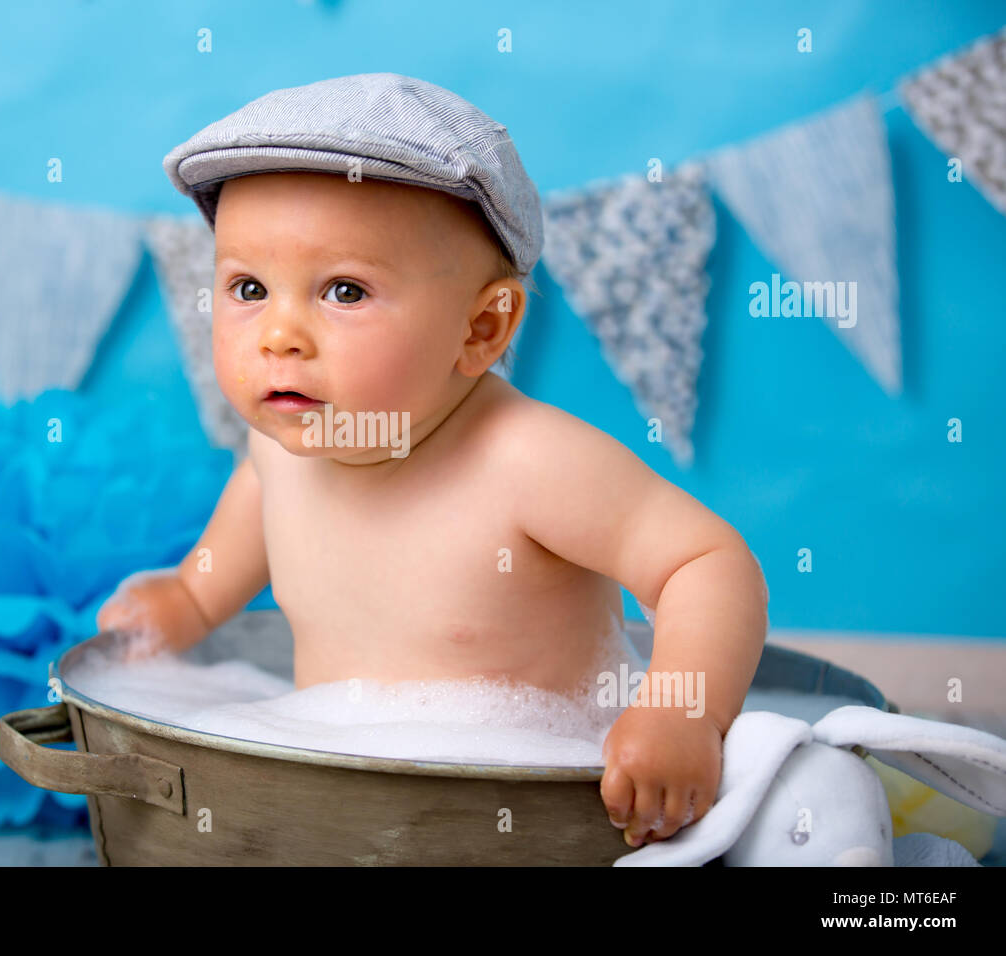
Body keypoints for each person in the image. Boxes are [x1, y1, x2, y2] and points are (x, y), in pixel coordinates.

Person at [99, 73, 768, 850]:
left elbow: (707, 563)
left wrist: (681, 711)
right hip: (347, 813)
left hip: (539, 820)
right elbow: (224, 557)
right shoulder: (279, 452)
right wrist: (182, 603)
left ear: (482, 330)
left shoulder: (529, 461)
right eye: (248, 287)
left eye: (344, 291)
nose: (279, 335)